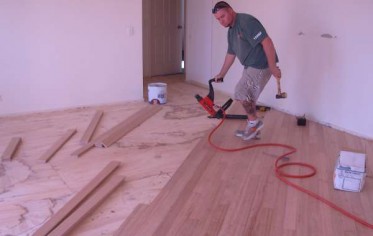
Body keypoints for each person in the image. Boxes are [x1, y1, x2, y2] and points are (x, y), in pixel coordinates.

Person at [212, 1, 281, 140]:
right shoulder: (231, 31)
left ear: (231, 10)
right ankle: (254, 130)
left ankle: (254, 123)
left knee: (241, 92)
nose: (221, 21)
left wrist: (273, 66)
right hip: (250, 66)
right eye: (218, 19)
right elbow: (231, 54)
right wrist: (222, 73)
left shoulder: (246, 22)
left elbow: (267, 42)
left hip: (261, 64)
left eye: (223, 16)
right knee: (249, 97)